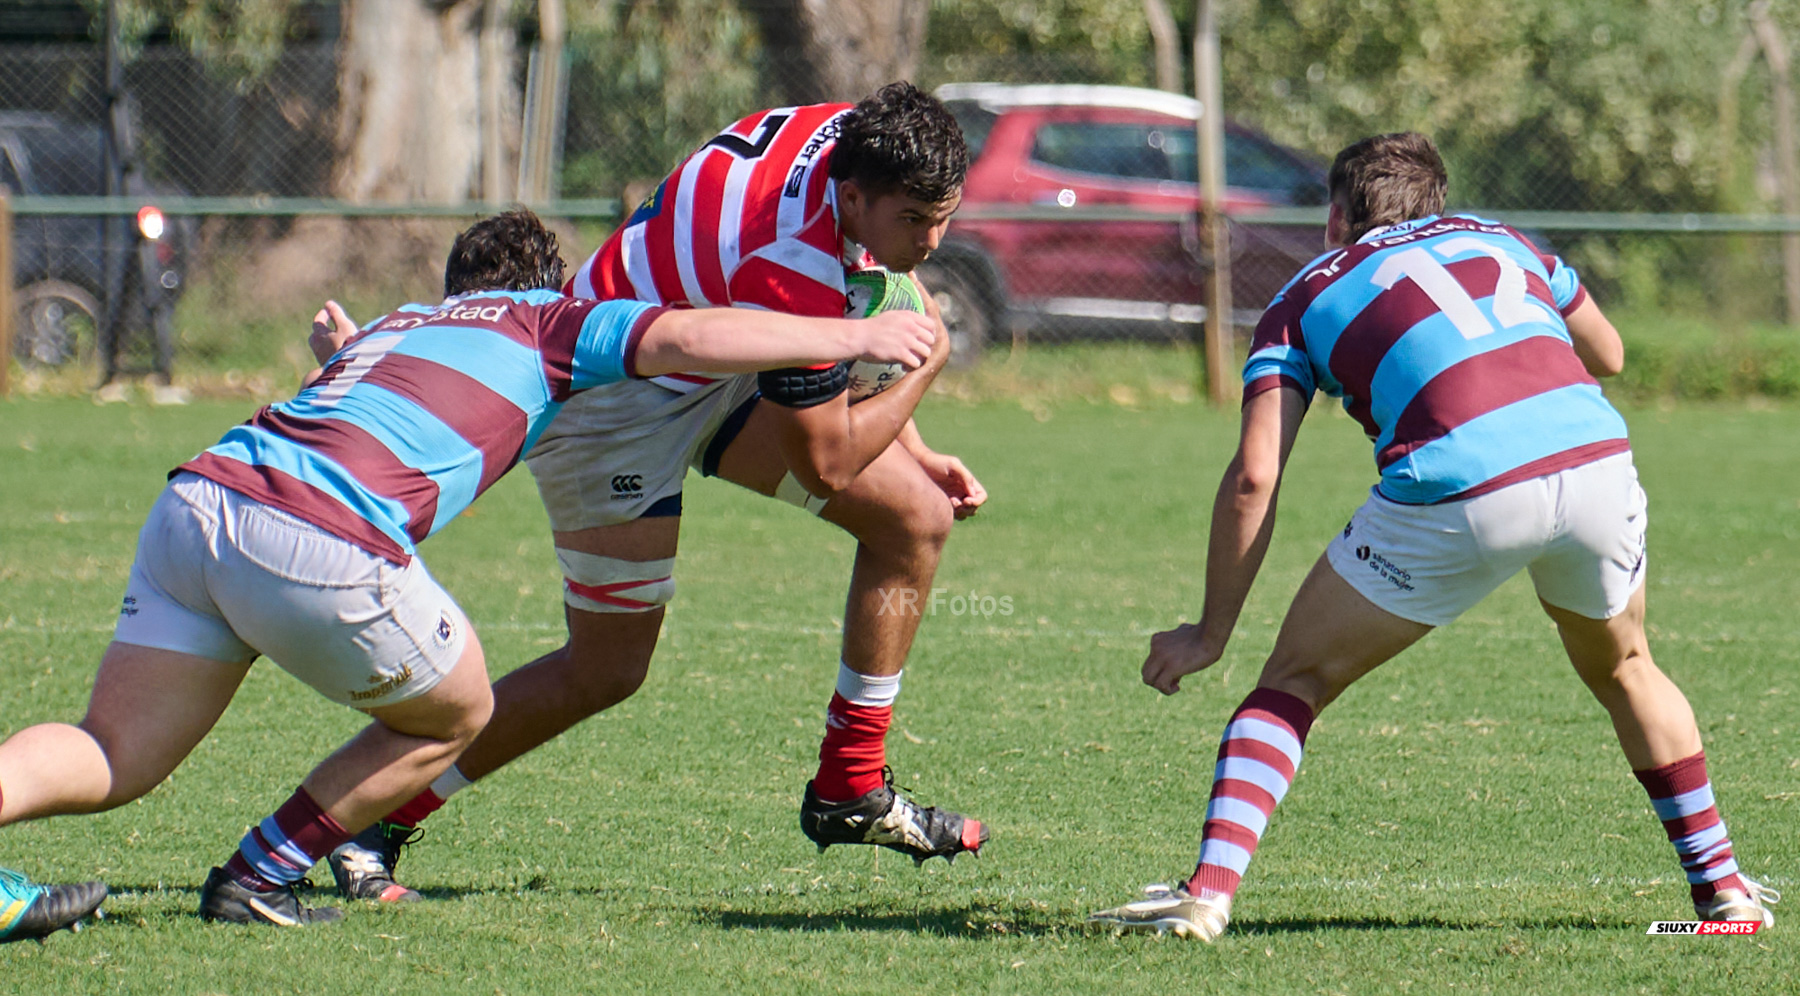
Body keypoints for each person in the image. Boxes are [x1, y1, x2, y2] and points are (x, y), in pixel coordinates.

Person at [0, 209, 937, 939]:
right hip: (313, 534)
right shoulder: (551, 323)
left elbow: (391, 389)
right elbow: (689, 339)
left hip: (199, 504)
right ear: (553, 286)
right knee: (459, 708)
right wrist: (845, 337)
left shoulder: (403, 324)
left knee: (111, 754)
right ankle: (257, 875)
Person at [1089, 133, 1778, 940]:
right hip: (1596, 464)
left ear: (1337, 216)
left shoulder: (1304, 294)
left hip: (1460, 489)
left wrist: (1210, 632)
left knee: (1294, 682)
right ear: (1438, 204)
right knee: (1628, 666)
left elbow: (1254, 477)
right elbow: (1611, 354)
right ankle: (1724, 895)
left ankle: (1204, 897)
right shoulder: (1503, 238)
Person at [329, 82, 988, 903]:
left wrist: (916, 447)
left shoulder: (855, 140)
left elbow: (880, 285)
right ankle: (369, 813)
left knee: (913, 518)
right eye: (917, 222)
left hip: (710, 348)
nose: (933, 242)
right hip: (616, 397)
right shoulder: (793, 258)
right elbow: (828, 463)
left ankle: (848, 786)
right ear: (854, 195)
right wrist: (926, 368)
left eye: (946, 217)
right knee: (604, 669)